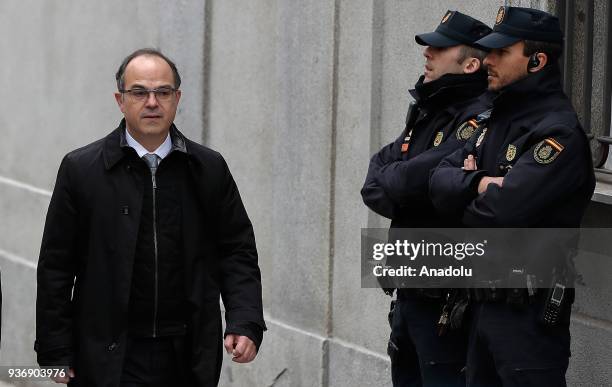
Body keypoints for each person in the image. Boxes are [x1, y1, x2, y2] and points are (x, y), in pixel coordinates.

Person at [35, 48, 266, 387]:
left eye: (163, 92)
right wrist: (55, 349)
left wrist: (244, 321)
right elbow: (56, 265)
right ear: (120, 99)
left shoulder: (207, 168)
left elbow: (237, 250)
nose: (152, 102)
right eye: (139, 92)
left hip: (187, 353)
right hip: (111, 354)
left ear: (177, 98)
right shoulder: (81, 170)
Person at [429, 6, 595, 386]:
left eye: (502, 52)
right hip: (478, 307)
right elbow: (437, 184)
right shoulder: (493, 119)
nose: (488, 59)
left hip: (527, 318)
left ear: (537, 61)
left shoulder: (559, 132)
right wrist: (478, 184)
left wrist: (469, 185)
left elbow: (502, 211)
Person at [361, 10, 492, 386]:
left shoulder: (478, 114)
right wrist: (409, 185)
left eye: (440, 47)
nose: (427, 54)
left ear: (470, 64)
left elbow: (408, 181)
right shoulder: (427, 107)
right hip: (409, 285)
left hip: (444, 292)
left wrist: (406, 184)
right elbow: (375, 180)